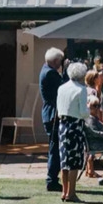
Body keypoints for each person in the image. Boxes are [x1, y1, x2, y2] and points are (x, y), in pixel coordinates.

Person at [56, 61, 91, 203]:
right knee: (74, 161)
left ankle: (64, 192)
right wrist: (89, 109)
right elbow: (83, 112)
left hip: (62, 125)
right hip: (75, 126)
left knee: (64, 160)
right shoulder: (81, 89)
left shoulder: (61, 88)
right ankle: (71, 193)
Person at [39, 47, 66, 193]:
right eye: (60, 61)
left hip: (49, 113)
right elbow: (63, 87)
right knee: (55, 149)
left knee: (54, 147)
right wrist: (66, 72)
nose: (61, 63)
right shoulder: (50, 73)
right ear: (55, 61)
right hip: (53, 115)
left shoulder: (45, 69)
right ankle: (52, 180)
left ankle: (52, 179)